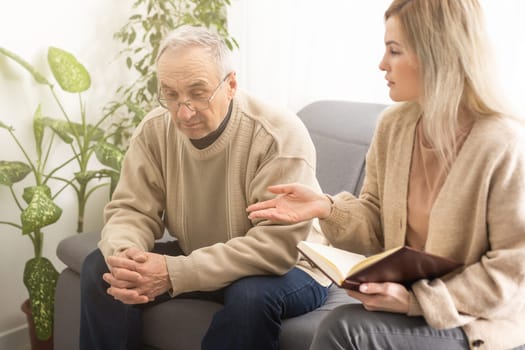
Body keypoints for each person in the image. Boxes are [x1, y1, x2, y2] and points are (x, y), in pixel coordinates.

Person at [247, 0, 525, 349]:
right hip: (406, 306)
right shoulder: (394, 127)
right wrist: (325, 208)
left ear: (436, 54)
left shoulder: (503, 143)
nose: (381, 64)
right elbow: (377, 224)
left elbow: (514, 270)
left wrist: (418, 301)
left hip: (476, 322)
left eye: (394, 51)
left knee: (343, 328)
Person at [79, 25, 332, 350]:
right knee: (101, 269)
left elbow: (275, 246)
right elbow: (131, 210)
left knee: (250, 296)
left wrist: (174, 272)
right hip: (203, 254)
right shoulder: (155, 131)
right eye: (170, 94)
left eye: (198, 92)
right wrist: (126, 256)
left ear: (231, 84)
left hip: (293, 265)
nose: (184, 112)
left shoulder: (277, 134)